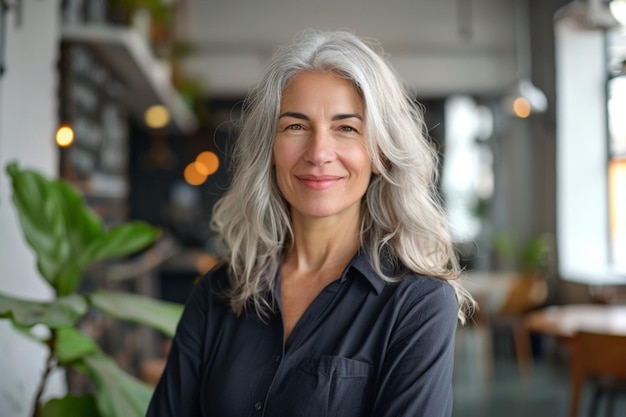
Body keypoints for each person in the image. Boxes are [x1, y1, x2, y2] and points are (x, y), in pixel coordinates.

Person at [146, 29, 475, 417]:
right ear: (269, 149)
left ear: (381, 154)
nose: (319, 152)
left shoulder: (418, 304)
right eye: (295, 126)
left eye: (346, 128)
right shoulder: (219, 292)